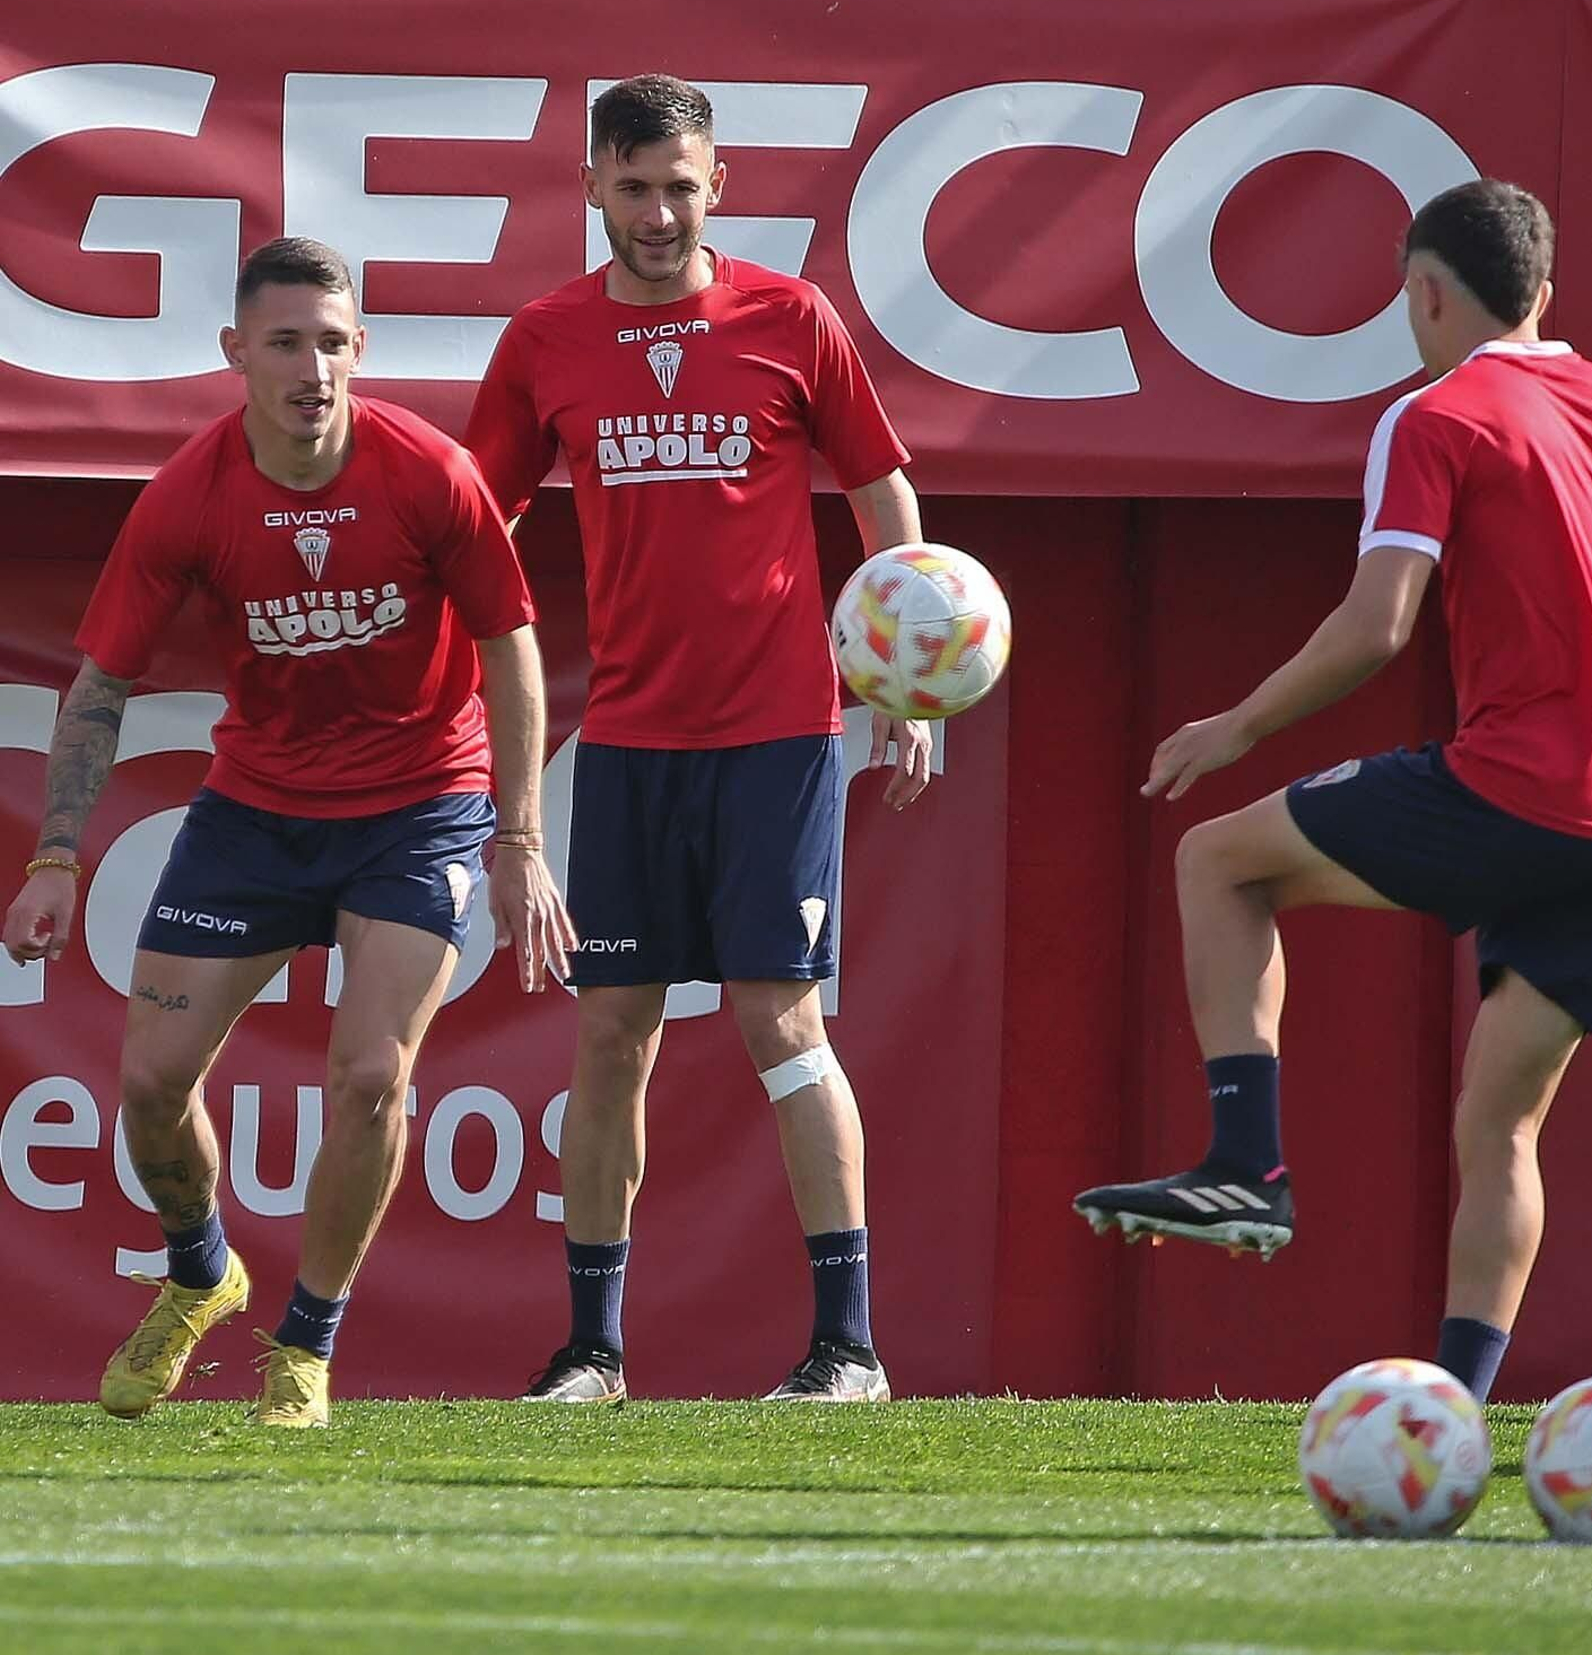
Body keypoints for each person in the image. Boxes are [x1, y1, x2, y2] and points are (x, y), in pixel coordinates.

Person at [3, 236, 572, 1428]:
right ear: (235, 355)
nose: (312, 366)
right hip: (257, 811)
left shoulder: (430, 471)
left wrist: (515, 839)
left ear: (360, 347)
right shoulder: (189, 496)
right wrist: (56, 855)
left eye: (331, 340)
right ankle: (204, 1270)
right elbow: (101, 684)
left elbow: (513, 647)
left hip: (419, 806)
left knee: (371, 1075)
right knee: (152, 1087)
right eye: (284, 342)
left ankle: (304, 1348)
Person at [1074, 178, 1592, 1403]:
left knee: (1216, 856)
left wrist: (1236, 723)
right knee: (1499, 1120)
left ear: (1424, 291)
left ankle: (1245, 1165)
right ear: (1546, 292)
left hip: (1520, 787)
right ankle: (1455, 1409)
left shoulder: (1437, 413)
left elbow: (1377, 625)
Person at [467, 73, 931, 1405]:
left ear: (718, 184)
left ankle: (849, 1347)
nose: (659, 211)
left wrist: (905, 677)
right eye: (634, 186)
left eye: (682, 185)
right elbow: (476, 520)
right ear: (593, 190)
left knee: (779, 1016)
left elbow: (881, 484)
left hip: (779, 735)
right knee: (610, 1029)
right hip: (628, 740)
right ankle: (594, 1353)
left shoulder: (794, 318)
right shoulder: (547, 338)